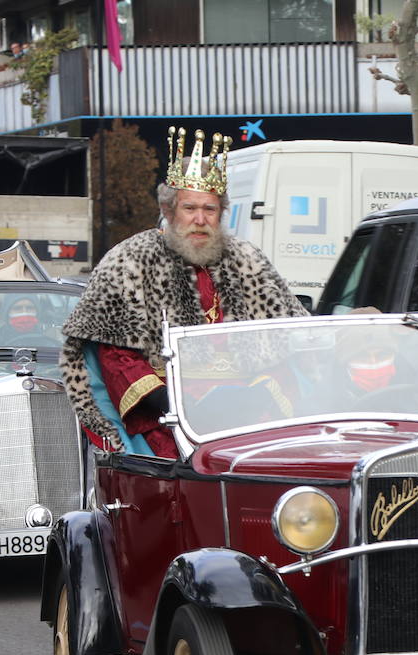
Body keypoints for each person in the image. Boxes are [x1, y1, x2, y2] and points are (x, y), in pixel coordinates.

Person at [60, 126, 306, 458]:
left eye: (210, 209)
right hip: (166, 419)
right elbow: (116, 356)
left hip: (246, 417)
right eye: (190, 208)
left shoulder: (249, 263)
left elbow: (288, 341)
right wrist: (172, 402)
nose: (200, 219)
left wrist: (258, 396)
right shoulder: (130, 260)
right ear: (169, 211)